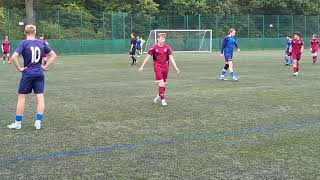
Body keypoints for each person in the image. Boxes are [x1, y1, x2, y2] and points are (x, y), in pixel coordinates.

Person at [7, 24, 57, 130]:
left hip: (28, 74)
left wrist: (19, 68)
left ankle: (18, 123)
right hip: (39, 73)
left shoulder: (24, 43)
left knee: (21, 97)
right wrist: (44, 66)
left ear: (25, 32)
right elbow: (53, 55)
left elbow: (14, 57)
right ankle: (38, 122)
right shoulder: (41, 42)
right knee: (40, 97)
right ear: (35, 32)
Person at [138, 33, 180, 106]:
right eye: (161, 38)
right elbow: (147, 57)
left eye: (163, 38)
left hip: (165, 67)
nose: (162, 39)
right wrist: (142, 66)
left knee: (164, 84)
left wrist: (176, 67)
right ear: (157, 39)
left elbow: (171, 57)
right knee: (161, 83)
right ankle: (163, 100)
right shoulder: (154, 47)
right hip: (157, 67)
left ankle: (159, 95)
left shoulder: (167, 47)